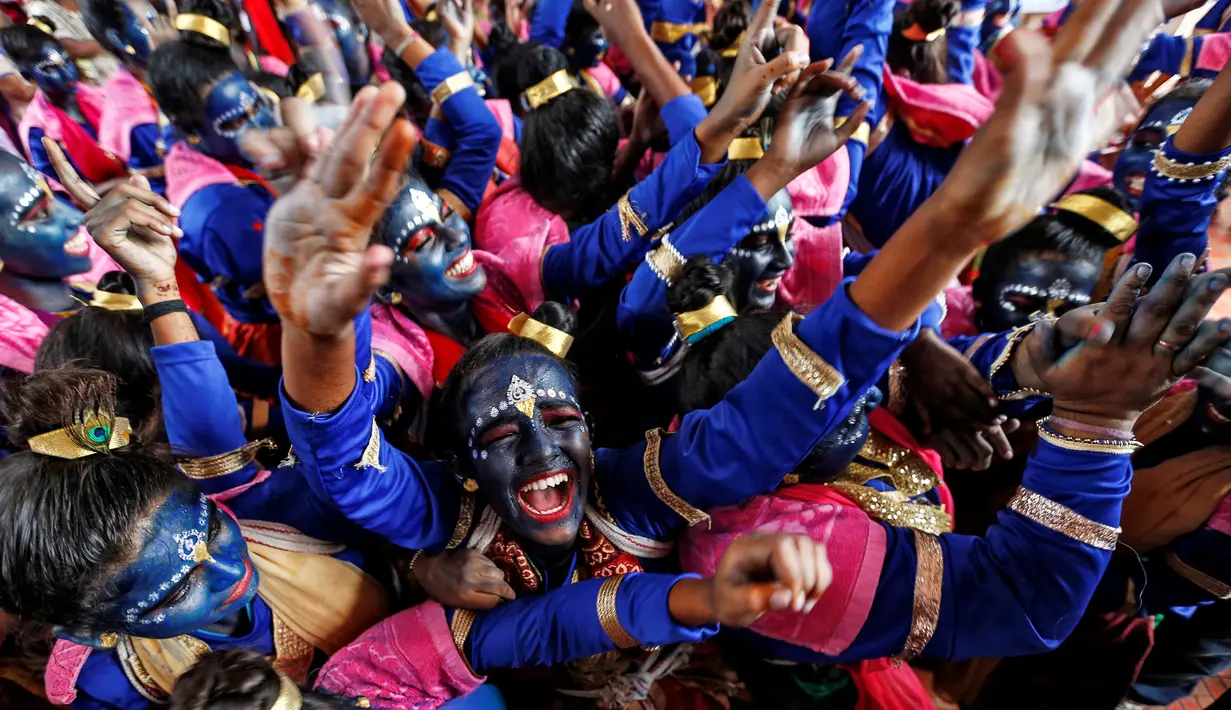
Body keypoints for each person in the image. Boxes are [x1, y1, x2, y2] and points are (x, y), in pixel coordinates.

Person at [3, 21, 129, 190]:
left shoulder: (99, 96)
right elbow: (64, 192)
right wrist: (121, 184)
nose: (67, 73)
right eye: (50, 68)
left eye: (67, 61)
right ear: (28, 75)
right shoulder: (38, 129)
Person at [81, 0, 173, 196]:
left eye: (156, 18)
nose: (162, 29)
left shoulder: (148, 76)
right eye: (146, 23)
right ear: (120, 40)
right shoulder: (133, 115)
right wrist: (170, 60)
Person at [22, 0, 118, 84]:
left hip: (119, 55)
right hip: (101, 73)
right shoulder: (38, 10)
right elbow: (74, 48)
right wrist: (112, 44)